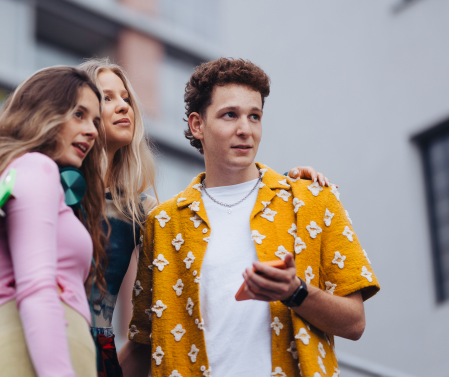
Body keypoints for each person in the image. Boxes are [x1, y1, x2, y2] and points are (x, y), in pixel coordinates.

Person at [0, 58, 330, 376]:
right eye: (105, 98)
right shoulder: (40, 177)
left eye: (125, 98)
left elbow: (204, 227)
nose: (120, 106)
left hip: (97, 352)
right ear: (69, 110)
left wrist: (286, 184)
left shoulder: (140, 211)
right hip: (30, 341)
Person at [122, 58, 379, 377]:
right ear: (197, 125)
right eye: (230, 115)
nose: (245, 129)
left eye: (254, 116)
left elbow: (354, 323)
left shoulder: (311, 199)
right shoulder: (162, 224)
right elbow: (142, 343)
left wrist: (295, 292)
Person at [0, 66, 107, 377]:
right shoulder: (37, 168)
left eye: (95, 121)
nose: (93, 130)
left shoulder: (14, 182)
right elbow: (36, 288)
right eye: (79, 115)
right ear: (44, 114)